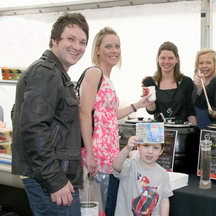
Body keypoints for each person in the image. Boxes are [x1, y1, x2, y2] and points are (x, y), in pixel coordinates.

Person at [11, 13, 89, 215]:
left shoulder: (55, 74)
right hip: (51, 179)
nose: (77, 46)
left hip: (53, 175)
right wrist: (54, 180)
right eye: (70, 39)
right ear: (54, 40)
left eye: (82, 42)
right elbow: (33, 128)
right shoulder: (46, 72)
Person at [79, 26, 152, 216]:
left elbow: (109, 116)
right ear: (97, 50)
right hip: (97, 156)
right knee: (98, 208)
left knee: (107, 207)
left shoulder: (107, 78)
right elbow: (85, 113)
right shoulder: (94, 73)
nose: (114, 51)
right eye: (109, 46)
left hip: (110, 155)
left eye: (117, 46)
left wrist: (138, 105)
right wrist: (90, 154)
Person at [112, 136, 173, 216]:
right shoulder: (130, 165)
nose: (150, 151)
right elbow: (116, 165)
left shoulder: (163, 173)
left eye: (155, 148)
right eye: (146, 146)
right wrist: (128, 148)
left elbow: (164, 200)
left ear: (161, 151)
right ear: (138, 146)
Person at [143, 41, 197, 125]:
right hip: (159, 132)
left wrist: (194, 131)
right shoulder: (149, 82)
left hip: (182, 132)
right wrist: (149, 100)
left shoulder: (187, 82)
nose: (166, 61)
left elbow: (190, 111)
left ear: (177, 59)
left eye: (170, 58)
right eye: (163, 58)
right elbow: (151, 111)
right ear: (158, 59)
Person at [193, 49, 216, 129]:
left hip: (215, 130)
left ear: (215, 64)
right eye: (201, 63)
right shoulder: (193, 85)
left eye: (208, 63)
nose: (204, 66)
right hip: (196, 131)